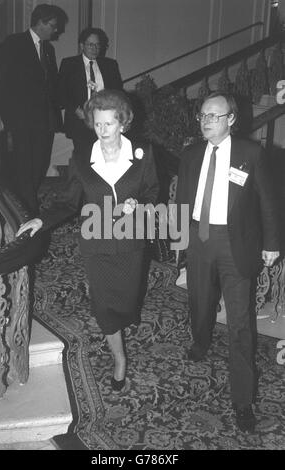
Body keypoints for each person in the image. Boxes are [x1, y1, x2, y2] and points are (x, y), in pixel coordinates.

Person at [16, 89, 159, 391]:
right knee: (104, 307)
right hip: (96, 243)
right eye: (97, 124)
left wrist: (140, 205)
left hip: (130, 241)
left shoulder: (143, 153)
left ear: (123, 123)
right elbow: (68, 202)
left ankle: (121, 325)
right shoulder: (82, 158)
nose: (103, 130)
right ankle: (119, 358)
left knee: (128, 301)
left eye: (109, 124)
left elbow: (152, 192)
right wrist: (42, 219)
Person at [176, 91, 280, 433]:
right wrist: (180, 241)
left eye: (214, 116)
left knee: (240, 322)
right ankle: (201, 340)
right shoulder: (191, 154)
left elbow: (267, 201)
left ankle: (243, 400)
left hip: (237, 244)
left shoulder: (251, 153)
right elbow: (182, 201)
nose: (206, 122)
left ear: (231, 119)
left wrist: (271, 243)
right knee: (200, 300)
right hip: (199, 237)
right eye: (203, 116)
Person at [0, 3, 68, 216]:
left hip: (45, 120)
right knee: (24, 164)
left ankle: (25, 200)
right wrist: (4, 118)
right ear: (41, 23)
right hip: (21, 119)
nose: (57, 30)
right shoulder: (14, 43)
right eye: (53, 25)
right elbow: (2, 83)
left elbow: (51, 84)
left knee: (41, 162)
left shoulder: (49, 49)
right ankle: (27, 210)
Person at [58, 27, 123, 154]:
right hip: (80, 121)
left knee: (105, 157)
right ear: (82, 45)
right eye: (90, 45)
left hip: (105, 121)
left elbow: (117, 92)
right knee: (83, 158)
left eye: (98, 45)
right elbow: (61, 93)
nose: (95, 49)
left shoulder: (110, 65)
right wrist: (77, 110)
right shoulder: (69, 64)